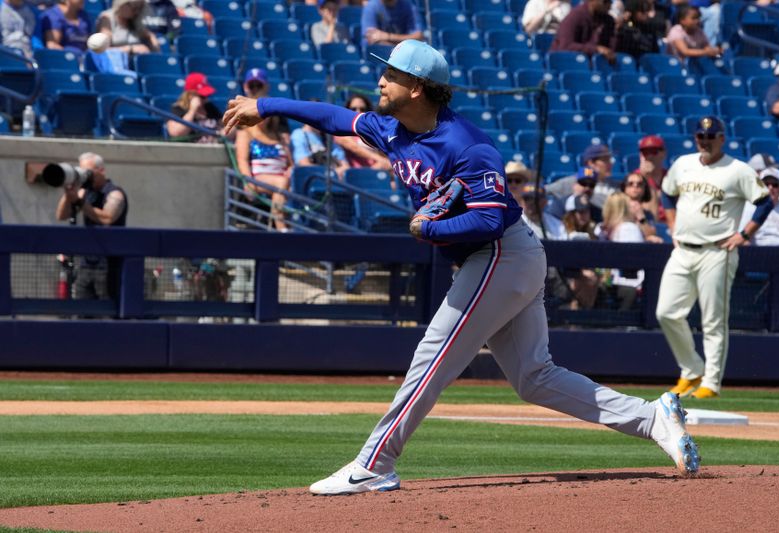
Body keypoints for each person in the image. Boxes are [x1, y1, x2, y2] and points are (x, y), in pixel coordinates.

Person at [222, 38, 701, 495]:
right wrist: (265, 107)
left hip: (500, 253)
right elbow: (334, 118)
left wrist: (429, 231)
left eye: (390, 73)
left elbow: (490, 217)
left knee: (433, 356)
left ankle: (374, 464)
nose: (380, 80)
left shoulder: (467, 145)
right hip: (502, 259)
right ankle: (652, 418)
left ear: (417, 87)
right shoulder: (392, 129)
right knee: (534, 378)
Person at [656, 116, 773, 399]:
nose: (705, 141)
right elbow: (667, 194)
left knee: (713, 320)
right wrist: (671, 225)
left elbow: (764, 201)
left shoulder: (737, 170)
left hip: (717, 251)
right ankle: (691, 369)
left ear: (722, 138)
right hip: (683, 248)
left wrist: (744, 235)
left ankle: (711, 382)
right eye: (700, 136)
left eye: (711, 136)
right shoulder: (683, 164)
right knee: (666, 313)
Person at [55, 153, 128, 301]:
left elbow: (107, 218)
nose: (85, 176)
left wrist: (80, 202)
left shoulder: (114, 193)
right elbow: (61, 215)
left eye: (88, 172)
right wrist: (69, 195)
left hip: (109, 265)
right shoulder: (84, 192)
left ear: (101, 170)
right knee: (84, 314)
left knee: (108, 314)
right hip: (86, 264)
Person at [235, 73, 294, 232]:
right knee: (282, 184)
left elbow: (291, 162)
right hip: (260, 178)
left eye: (265, 113)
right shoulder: (245, 133)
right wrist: (248, 181)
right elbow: (242, 160)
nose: (262, 117)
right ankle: (282, 228)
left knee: (285, 184)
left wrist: (291, 169)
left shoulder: (278, 136)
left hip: (282, 180)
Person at [597, 192, 646, 310]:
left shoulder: (629, 229)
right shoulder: (602, 230)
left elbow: (632, 265)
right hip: (611, 282)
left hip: (631, 283)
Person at [740, 167, 779, 246]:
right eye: (766, 184)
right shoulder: (750, 207)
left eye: (775, 184)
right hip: (760, 254)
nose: (770, 187)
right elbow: (742, 238)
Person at [562, 193, 600, 309]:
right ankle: (576, 318)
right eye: (580, 212)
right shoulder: (561, 230)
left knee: (592, 277)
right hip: (563, 274)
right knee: (588, 278)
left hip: (583, 274)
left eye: (586, 211)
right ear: (572, 214)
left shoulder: (593, 231)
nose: (584, 215)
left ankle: (581, 319)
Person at [335, 95, 392, 170]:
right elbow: (354, 148)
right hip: (355, 175)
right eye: (353, 109)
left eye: (362, 109)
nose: (358, 112)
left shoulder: (373, 132)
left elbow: (384, 155)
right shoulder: (342, 130)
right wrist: (379, 160)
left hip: (377, 172)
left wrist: (384, 163)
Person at [550, 0, 616, 64]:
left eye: (610, 2)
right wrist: (596, 49)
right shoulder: (575, 16)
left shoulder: (608, 20)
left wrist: (619, 32)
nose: (609, 6)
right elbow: (565, 46)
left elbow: (611, 49)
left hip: (594, 65)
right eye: (605, 1)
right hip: (566, 62)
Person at [167, 72, 223, 143]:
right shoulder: (178, 109)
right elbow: (177, 134)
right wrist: (192, 110)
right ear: (190, 95)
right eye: (202, 96)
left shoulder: (209, 107)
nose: (206, 99)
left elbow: (224, 129)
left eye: (207, 96)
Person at [620, 171, 661, 242]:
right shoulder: (618, 208)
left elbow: (652, 234)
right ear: (624, 187)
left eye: (640, 184)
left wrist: (641, 218)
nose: (635, 186)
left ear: (644, 189)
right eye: (630, 184)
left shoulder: (647, 214)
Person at [635, 134, 668, 222]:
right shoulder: (634, 179)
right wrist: (645, 178)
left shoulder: (670, 176)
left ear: (663, 153)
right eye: (645, 152)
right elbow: (649, 215)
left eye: (653, 151)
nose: (649, 156)